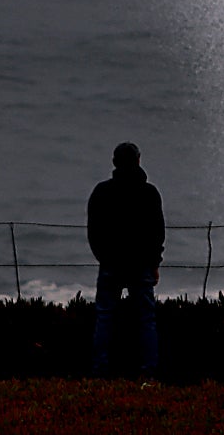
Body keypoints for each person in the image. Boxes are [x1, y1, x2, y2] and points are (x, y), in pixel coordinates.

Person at [87, 142, 166, 379]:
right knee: (146, 319)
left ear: (114, 162)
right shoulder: (149, 193)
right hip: (141, 263)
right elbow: (157, 232)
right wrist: (154, 262)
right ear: (138, 161)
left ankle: (100, 370)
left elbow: (94, 231)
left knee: (105, 316)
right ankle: (148, 372)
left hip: (111, 262)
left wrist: (103, 257)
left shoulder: (102, 191)